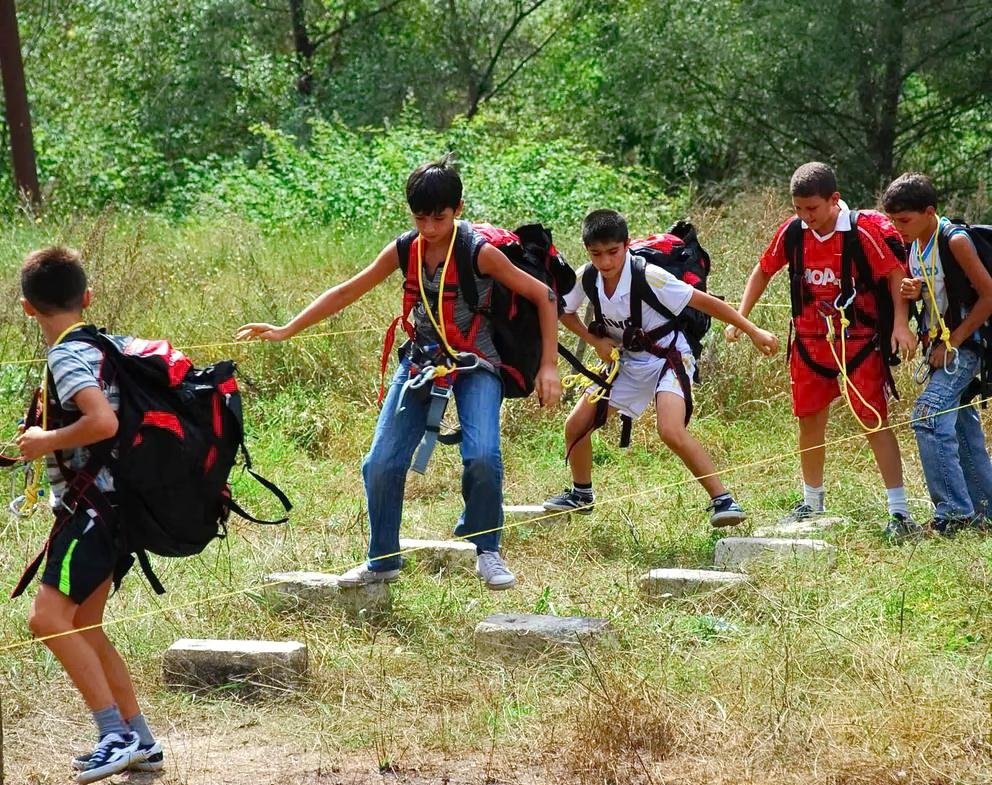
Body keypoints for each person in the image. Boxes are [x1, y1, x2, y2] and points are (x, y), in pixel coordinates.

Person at [237, 156, 562, 590]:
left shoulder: (478, 253)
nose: (429, 227)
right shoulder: (405, 248)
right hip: (422, 362)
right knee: (380, 463)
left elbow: (544, 296)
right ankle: (383, 559)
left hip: (474, 363)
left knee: (483, 456)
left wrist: (549, 366)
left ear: (458, 209)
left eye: (439, 217)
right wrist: (287, 328)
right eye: (420, 217)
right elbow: (348, 289)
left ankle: (488, 550)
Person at [15, 247, 162, 785]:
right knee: (86, 628)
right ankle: (141, 740)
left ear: (28, 308)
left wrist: (44, 440)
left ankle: (114, 736)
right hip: (114, 507)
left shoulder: (65, 355)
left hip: (91, 510)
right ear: (88, 297)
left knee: (47, 620)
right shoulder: (99, 344)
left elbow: (101, 423)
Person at [543, 209, 779, 525]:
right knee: (576, 425)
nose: (606, 262)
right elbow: (565, 312)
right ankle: (581, 495)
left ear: (626, 245)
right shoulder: (587, 276)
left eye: (613, 252)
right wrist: (595, 342)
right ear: (588, 251)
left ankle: (724, 501)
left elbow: (705, 302)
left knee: (669, 429)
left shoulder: (650, 276)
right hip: (625, 361)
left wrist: (752, 330)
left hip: (668, 355)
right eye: (596, 254)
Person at [726, 162, 918, 540]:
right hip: (811, 344)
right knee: (809, 420)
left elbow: (896, 274)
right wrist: (740, 318)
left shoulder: (862, 233)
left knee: (873, 420)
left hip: (859, 342)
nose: (805, 217)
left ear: (834, 200)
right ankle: (811, 503)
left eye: (812, 209)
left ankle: (899, 511)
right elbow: (764, 269)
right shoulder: (793, 232)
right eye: (798, 209)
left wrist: (900, 324)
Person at [882, 172, 992, 536]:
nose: (898, 228)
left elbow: (989, 296)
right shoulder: (915, 244)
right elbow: (939, 291)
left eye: (905, 220)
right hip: (940, 345)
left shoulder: (955, 240)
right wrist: (915, 291)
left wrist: (954, 342)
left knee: (927, 416)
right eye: (894, 220)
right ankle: (984, 511)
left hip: (965, 345)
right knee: (961, 424)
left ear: (929, 211)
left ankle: (954, 515)